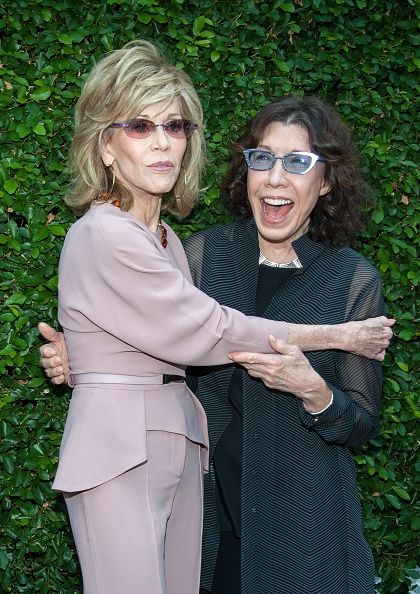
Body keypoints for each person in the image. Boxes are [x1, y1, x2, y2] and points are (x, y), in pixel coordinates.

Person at [39, 45, 393, 594]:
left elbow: (362, 421)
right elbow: (185, 328)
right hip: (213, 509)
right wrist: (81, 357)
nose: (276, 178)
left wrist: (317, 392)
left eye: (298, 163)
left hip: (302, 517)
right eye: (262, 159)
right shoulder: (205, 254)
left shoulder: (351, 279)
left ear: (326, 184)